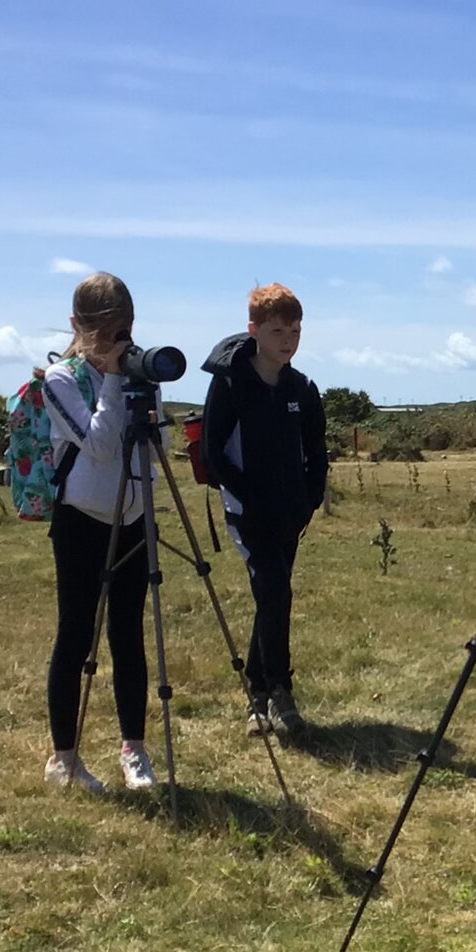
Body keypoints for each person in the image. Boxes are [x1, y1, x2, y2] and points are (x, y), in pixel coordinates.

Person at [42, 272, 159, 794]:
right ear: (77, 326)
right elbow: (102, 446)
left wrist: (135, 382)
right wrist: (113, 379)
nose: (118, 341)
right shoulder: (59, 380)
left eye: (125, 329)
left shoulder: (137, 371)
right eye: (106, 330)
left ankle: (134, 748)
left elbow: (147, 444)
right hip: (82, 521)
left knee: (129, 636)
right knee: (76, 636)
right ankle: (63, 758)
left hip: (134, 516)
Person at [199, 282, 328, 738]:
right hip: (246, 512)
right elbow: (215, 454)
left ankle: (257, 696)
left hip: (290, 514)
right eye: (277, 330)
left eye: (294, 330)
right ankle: (280, 693)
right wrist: (248, 500)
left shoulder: (302, 387)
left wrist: (309, 499)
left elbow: (317, 451)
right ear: (253, 330)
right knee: (275, 591)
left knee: (271, 597)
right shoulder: (230, 385)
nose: (288, 339)